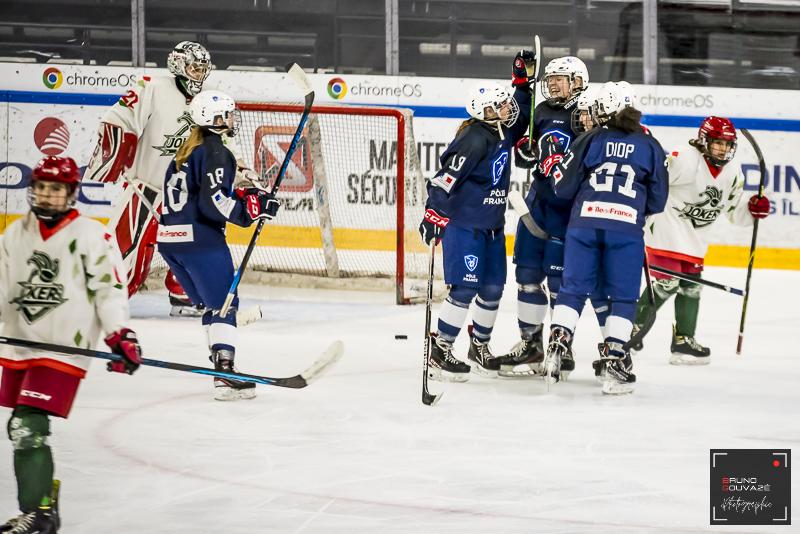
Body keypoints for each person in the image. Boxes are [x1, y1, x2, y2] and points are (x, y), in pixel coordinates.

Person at [0, 156, 142, 533]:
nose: (47, 196)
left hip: (64, 346)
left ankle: (40, 514)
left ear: (71, 194)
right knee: (21, 428)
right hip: (20, 345)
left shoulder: (92, 236)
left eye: (56, 190)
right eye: (42, 188)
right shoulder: (15, 233)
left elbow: (108, 289)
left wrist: (119, 334)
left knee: (27, 427)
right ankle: (42, 501)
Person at [545, 82, 669, 394]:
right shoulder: (651, 145)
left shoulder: (590, 139)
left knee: (573, 289)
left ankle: (559, 340)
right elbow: (658, 201)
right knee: (623, 297)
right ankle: (615, 359)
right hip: (625, 229)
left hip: (584, 224)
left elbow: (563, 187)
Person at [419, 51, 534, 382]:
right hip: (465, 227)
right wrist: (433, 213)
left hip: (492, 230)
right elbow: (443, 180)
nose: (506, 109)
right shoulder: (473, 138)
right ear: (484, 111)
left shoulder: (500, 131)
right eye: (500, 105)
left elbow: (522, 112)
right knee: (465, 289)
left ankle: (479, 346)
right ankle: (441, 349)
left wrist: (521, 81)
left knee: (494, 288)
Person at [156, 90, 279, 401]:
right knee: (225, 304)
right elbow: (214, 204)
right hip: (200, 241)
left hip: (170, 240)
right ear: (215, 119)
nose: (232, 120)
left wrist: (252, 202)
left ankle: (219, 364)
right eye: (229, 114)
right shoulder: (215, 151)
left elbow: (202, 196)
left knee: (214, 306)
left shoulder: (186, 150)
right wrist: (249, 213)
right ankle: (225, 372)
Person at [84, 41, 216, 316]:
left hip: (184, 196)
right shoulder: (151, 87)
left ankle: (183, 294)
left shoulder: (208, 100)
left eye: (203, 69)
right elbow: (118, 119)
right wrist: (117, 155)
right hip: (147, 188)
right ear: (178, 65)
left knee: (194, 242)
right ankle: (102, 299)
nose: (199, 74)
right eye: (194, 67)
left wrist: (239, 170)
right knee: (126, 250)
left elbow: (222, 140)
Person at [631, 116, 770, 364]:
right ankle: (631, 328)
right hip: (666, 230)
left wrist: (753, 210)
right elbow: (654, 182)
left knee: (692, 288)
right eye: (717, 143)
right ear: (704, 141)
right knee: (667, 284)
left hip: (695, 240)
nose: (723, 149)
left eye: (727, 145)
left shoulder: (733, 173)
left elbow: (733, 213)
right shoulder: (685, 158)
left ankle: (684, 341)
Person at [495, 55, 598, 379]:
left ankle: (561, 348)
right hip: (537, 203)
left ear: (578, 81)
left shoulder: (587, 115)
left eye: (560, 78)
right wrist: (526, 152)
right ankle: (532, 344)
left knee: (559, 283)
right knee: (526, 276)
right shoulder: (541, 111)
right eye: (550, 78)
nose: (552, 83)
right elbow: (528, 150)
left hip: (567, 210)